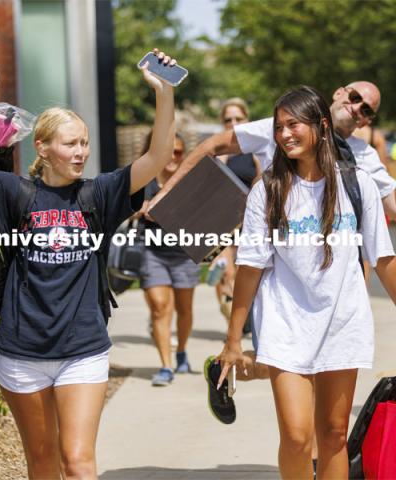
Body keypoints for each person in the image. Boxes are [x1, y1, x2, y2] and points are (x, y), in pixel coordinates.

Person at [0, 48, 176, 479]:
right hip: (21, 351)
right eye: (71, 143)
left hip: (82, 349)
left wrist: (163, 94)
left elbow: (157, 157)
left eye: (84, 143)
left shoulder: (100, 194)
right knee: (41, 462)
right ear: (43, 147)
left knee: (77, 461)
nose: (81, 152)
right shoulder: (16, 193)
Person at [216, 86, 396, 479]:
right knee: (297, 437)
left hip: (342, 322)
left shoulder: (357, 184)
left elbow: (383, 260)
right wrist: (233, 340)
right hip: (286, 325)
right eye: (279, 126)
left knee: (333, 435)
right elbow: (249, 268)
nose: (284, 135)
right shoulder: (268, 190)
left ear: (322, 126)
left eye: (293, 124)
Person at [146, 81, 396, 221]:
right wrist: (167, 194)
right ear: (339, 92)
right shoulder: (282, 128)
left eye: (366, 110)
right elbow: (212, 145)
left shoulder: (363, 155)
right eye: (354, 97)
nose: (357, 108)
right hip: (270, 252)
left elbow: (391, 202)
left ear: (367, 121)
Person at [138, 132, 200, 386]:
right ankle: (166, 366)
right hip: (151, 251)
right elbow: (126, 205)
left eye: (179, 152)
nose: (175, 157)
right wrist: (141, 208)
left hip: (184, 253)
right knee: (160, 307)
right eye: (170, 152)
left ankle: (182, 351)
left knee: (184, 309)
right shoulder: (143, 179)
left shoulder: (190, 180)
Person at [212, 98, 261, 324]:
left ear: (247, 119)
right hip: (223, 221)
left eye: (238, 118)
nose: (233, 123)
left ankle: (245, 316)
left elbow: (262, 181)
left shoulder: (255, 150)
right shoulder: (219, 149)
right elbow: (213, 180)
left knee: (246, 271)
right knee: (226, 273)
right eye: (227, 120)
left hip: (250, 220)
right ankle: (233, 322)